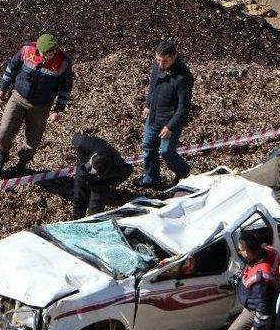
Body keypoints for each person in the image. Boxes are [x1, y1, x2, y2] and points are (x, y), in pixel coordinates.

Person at [0, 33, 74, 175]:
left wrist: (58, 110)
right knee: (3, 133)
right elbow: (12, 67)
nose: (48, 57)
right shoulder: (26, 51)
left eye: (52, 53)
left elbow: (66, 88)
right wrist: (3, 87)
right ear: (38, 49)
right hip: (18, 98)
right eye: (45, 53)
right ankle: (3, 155)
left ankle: (22, 163)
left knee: (33, 140)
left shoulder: (63, 63)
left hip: (41, 106)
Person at [135, 40, 194, 188]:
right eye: (158, 60)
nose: (160, 64)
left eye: (165, 61)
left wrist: (171, 126)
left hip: (170, 120)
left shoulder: (183, 77)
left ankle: (183, 170)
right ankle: (151, 178)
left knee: (166, 151)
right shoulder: (157, 66)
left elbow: (183, 107)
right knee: (148, 147)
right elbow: (152, 86)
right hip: (154, 115)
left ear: (174, 57)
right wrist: (148, 105)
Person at [71, 134, 133, 219]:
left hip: (102, 181)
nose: (95, 174)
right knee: (79, 198)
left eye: (98, 173)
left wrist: (112, 183)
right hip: (83, 170)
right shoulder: (83, 143)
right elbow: (75, 137)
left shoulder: (116, 161)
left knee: (96, 208)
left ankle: (93, 225)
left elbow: (128, 170)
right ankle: (76, 219)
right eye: (94, 172)